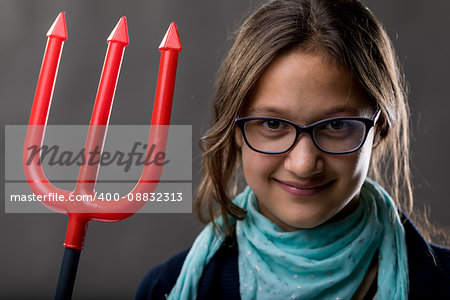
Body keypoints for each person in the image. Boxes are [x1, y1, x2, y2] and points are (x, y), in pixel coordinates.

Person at [135, 0, 450, 299]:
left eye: (336, 126)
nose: (302, 164)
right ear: (235, 129)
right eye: (272, 125)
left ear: (379, 127)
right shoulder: (167, 288)